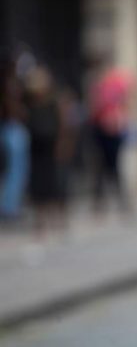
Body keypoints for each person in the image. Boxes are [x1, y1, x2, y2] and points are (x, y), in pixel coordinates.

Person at [24, 66, 74, 236]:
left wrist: (62, 144)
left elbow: (63, 125)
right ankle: (41, 220)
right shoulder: (29, 104)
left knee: (56, 183)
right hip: (36, 149)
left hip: (52, 148)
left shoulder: (54, 102)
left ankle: (58, 217)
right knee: (39, 185)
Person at [89, 62, 135, 215]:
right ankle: (104, 200)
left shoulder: (115, 86)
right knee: (104, 167)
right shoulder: (100, 87)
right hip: (104, 130)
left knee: (113, 167)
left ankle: (117, 200)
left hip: (114, 130)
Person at [0, 53, 29, 220]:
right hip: (12, 128)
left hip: (11, 128)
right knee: (15, 170)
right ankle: (10, 207)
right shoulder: (10, 84)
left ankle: (11, 205)